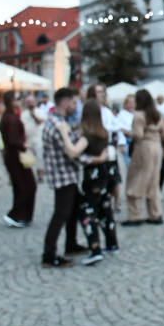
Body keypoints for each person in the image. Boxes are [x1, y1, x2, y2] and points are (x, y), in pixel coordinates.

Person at [41, 87, 106, 268]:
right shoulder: (58, 125)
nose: (76, 107)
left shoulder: (58, 121)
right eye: (74, 103)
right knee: (61, 214)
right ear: (65, 102)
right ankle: (49, 254)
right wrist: (96, 159)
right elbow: (72, 153)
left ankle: (71, 244)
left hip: (66, 175)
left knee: (73, 210)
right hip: (63, 176)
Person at [54, 99, 119, 265]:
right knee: (105, 209)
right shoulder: (104, 132)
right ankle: (112, 243)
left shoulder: (88, 136)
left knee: (87, 211)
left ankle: (95, 248)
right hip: (107, 176)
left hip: (94, 178)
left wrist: (63, 134)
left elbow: (73, 152)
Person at [124, 89, 164, 225]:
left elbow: (138, 135)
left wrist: (127, 133)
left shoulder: (138, 116)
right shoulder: (158, 114)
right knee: (153, 181)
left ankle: (135, 215)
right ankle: (156, 213)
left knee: (136, 178)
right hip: (157, 147)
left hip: (144, 148)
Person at [86, 83, 127, 211]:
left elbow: (117, 126)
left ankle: (115, 202)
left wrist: (121, 141)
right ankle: (98, 202)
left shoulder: (106, 111)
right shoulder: (90, 111)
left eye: (103, 91)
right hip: (95, 147)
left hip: (108, 147)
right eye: (99, 92)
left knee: (113, 177)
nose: (102, 94)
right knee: (97, 177)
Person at [0, 91, 37, 228]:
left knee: (21, 186)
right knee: (27, 185)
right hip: (16, 155)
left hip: (12, 155)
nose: (21, 100)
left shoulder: (9, 116)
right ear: (11, 101)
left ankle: (21, 215)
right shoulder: (11, 118)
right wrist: (24, 145)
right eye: (18, 98)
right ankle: (17, 214)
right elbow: (13, 139)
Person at [21, 94, 46, 184]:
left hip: (38, 138)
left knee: (40, 158)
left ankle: (40, 176)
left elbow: (40, 121)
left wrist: (33, 115)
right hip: (28, 139)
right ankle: (30, 176)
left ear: (34, 102)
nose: (30, 104)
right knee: (28, 158)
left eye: (31, 102)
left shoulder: (40, 112)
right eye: (28, 102)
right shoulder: (23, 114)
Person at [116, 93, 136, 169]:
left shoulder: (136, 114)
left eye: (132, 103)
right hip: (127, 142)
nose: (130, 105)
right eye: (128, 103)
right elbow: (120, 130)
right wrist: (122, 144)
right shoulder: (122, 114)